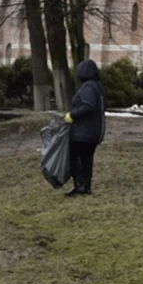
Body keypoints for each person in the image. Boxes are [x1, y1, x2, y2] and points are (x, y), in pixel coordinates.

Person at [63, 59, 106, 196]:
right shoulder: (98, 86)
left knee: (75, 157)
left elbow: (88, 106)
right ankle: (86, 186)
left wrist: (72, 115)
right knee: (87, 158)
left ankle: (80, 185)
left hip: (84, 131)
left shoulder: (88, 87)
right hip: (94, 131)